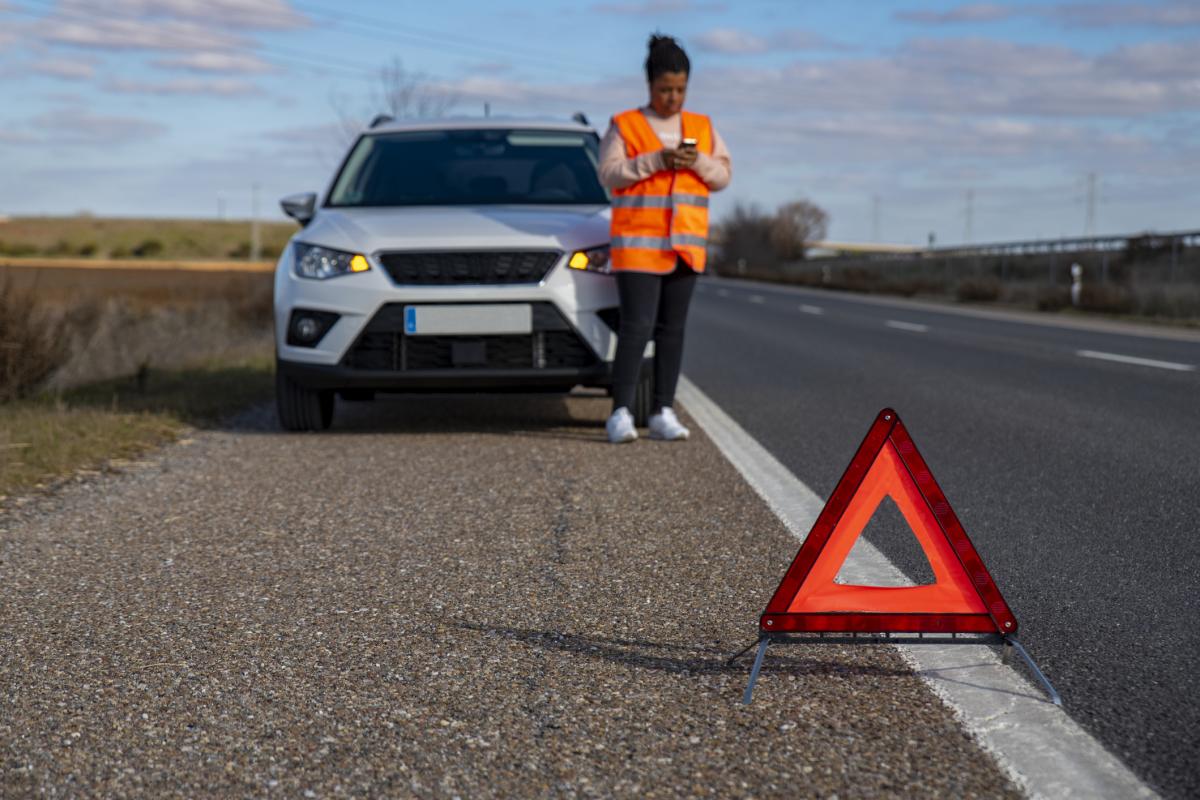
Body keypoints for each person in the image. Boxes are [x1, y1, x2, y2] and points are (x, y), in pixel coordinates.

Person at [598, 33, 732, 444]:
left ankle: (663, 410)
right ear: (649, 85)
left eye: (679, 90)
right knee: (637, 327)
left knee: (673, 330)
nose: (672, 98)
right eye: (664, 90)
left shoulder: (701, 126)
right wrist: (657, 160)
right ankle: (620, 411)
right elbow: (608, 174)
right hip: (639, 246)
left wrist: (699, 161)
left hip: (685, 248)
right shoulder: (626, 125)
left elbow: (722, 176)